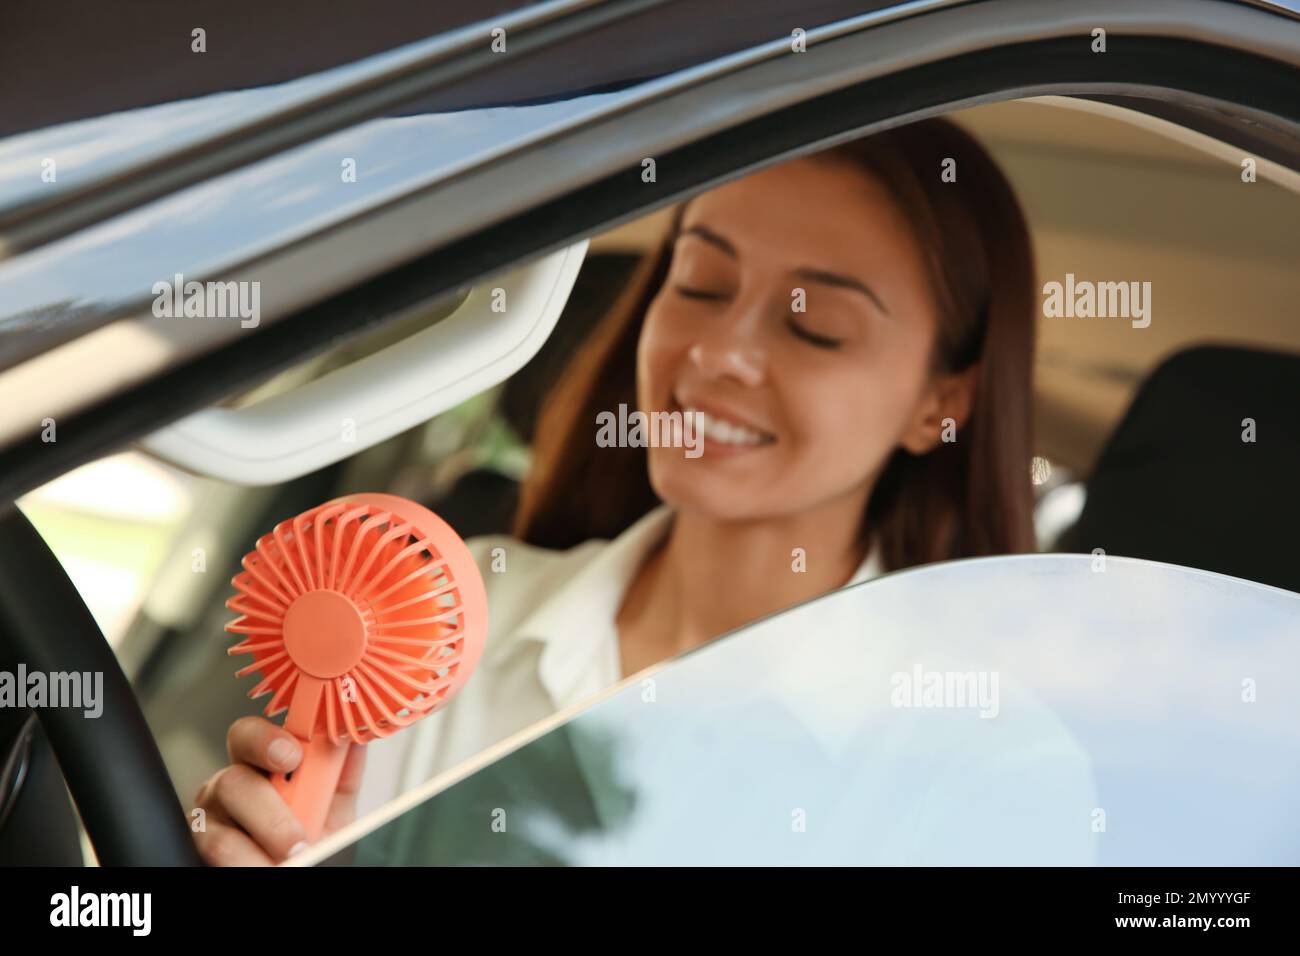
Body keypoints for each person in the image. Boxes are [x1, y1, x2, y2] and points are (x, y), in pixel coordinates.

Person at [192, 117, 1038, 865]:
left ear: (941, 404)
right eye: (701, 283)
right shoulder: (437, 615)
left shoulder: (980, 768)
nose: (717, 353)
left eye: (813, 325)